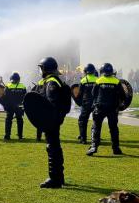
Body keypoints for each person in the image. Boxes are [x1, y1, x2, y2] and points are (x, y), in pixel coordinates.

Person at [35, 57, 69, 188]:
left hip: (51, 120)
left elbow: (51, 103)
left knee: (52, 148)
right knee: (55, 146)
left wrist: (49, 120)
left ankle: (54, 179)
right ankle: (59, 177)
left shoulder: (51, 82)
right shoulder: (52, 80)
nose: (40, 70)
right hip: (53, 119)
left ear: (45, 69)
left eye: (41, 68)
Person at [87, 63, 125, 156]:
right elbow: (123, 95)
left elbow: (93, 93)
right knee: (114, 129)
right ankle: (116, 148)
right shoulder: (116, 81)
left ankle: (94, 147)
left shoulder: (99, 80)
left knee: (96, 127)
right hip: (112, 108)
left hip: (100, 108)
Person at [76, 64, 98, 144]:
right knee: (96, 121)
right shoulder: (98, 79)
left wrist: (78, 101)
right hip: (96, 103)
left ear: (85, 71)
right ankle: (95, 139)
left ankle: (83, 139)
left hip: (86, 104)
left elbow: (79, 93)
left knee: (82, 121)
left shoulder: (83, 80)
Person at [3, 72, 26, 140]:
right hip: (19, 106)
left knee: (8, 120)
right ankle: (20, 136)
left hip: (10, 106)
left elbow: (4, 97)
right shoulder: (23, 86)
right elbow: (25, 96)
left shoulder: (8, 85)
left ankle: (7, 135)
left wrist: (5, 105)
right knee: (20, 120)